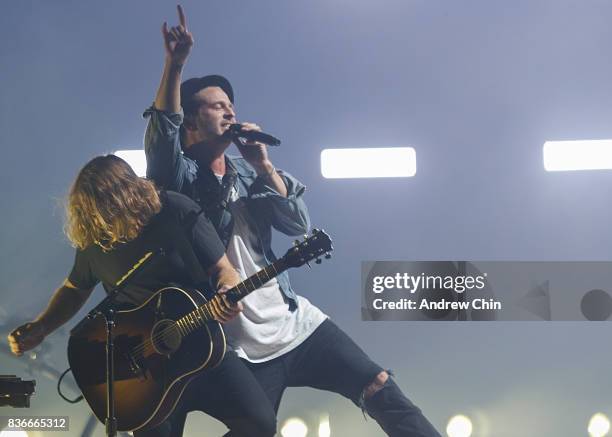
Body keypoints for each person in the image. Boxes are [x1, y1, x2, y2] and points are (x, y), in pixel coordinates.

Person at [144, 5, 441, 436]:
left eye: (232, 106)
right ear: (191, 120)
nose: (230, 113)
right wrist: (175, 65)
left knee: (378, 385)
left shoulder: (247, 171)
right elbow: (161, 140)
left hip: (292, 320)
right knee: (257, 428)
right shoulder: (181, 178)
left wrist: (264, 166)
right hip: (239, 343)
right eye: (217, 107)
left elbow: (297, 223)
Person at [7, 155, 281, 437]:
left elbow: (224, 269)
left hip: (201, 348)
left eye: (102, 205)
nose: (99, 216)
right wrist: (41, 327)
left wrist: (226, 291)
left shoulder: (174, 208)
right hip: (144, 374)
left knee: (259, 425)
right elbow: (73, 290)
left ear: (124, 194)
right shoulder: (97, 240)